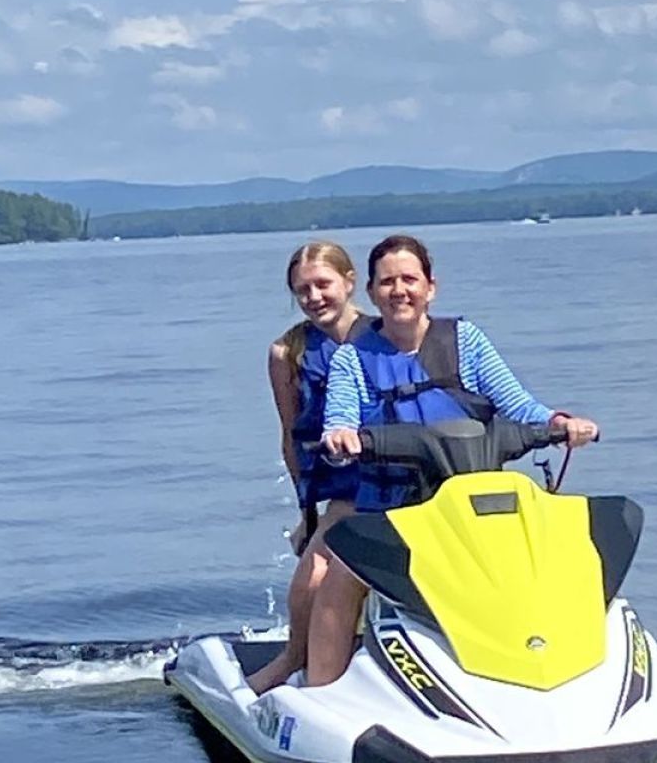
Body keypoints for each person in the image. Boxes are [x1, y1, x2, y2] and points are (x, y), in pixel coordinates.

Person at [305, 234, 599, 687]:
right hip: (394, 511)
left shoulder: (466, 340)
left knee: (555, 560)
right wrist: (341, 436)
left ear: (430, 287)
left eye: (409, 279)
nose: (399, 290)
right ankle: (321, 689)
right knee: (342, 575)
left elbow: (517, 405)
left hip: (470, 507)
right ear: (371, 293)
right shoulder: (352, 359)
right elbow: (340, 416)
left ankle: (568, 664)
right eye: (387, 282)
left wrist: (562, 424)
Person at [245, 241, 370, 694]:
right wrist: (307, 513)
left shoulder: (384, 338)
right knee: (315, 574)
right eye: (302, 291)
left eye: (323, 285)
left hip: (391, 482)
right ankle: (294, 658)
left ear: (350, 281)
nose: (314, 297)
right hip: (341, 490)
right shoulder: (288, 353)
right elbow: (290, 436)